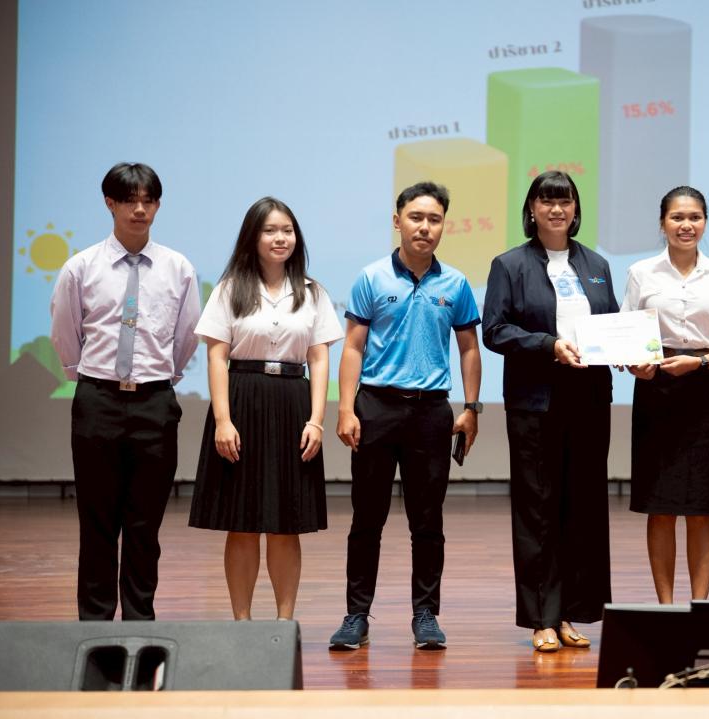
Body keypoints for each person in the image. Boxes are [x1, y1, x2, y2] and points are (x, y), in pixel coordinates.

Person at [330, 181, 481, 651]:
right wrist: (345, 407)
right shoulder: (371, 277)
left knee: (428, 522)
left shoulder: (456, 283)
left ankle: (426, 615)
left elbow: (469, 348)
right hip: (376, 408)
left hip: (431, 412)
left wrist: (471, 407)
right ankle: (356, 615)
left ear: (443, 226)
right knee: (366, 519)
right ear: (398, 221)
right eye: (416, 217)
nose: (425, 227)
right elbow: (353, 347)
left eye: (434, 219)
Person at [49, 162, 200, 620]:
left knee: (144, 524)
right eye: (130, 201)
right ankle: (94, 624)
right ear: (109, 203)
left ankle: (139, 620)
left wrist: (162, 376)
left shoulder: (178, 268)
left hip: (155, 402)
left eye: (148, 201)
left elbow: (187, 335)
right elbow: (65, 331)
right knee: (97, 522)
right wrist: (85, 375)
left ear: (158, 205)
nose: (140, 210)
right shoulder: (81, 267)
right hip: (98, 400)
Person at [188, 197, 343, 620]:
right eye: (270, 230)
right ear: (252, 237)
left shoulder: (312, 292)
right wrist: (222, 420)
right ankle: (242, 623)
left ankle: (283, 623)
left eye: (287, 230)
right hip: (242, 400)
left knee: (285, 523)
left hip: (293, 402)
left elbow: (319, 359)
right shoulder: (229, 288)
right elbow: (217, 357)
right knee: (241, 522)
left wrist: (316, 420)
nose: (280, 238)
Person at [483, 170, 617, 652]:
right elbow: (495, 330)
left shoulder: (596, 264)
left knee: (582, 506)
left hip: (589, 398)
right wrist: (548, 345)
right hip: (536, 400)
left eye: (565, 201)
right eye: (547, 201)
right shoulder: (509, 264)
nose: (557, 209)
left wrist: (629, 350)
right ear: (532, 209)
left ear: (576, 209)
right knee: (538, 508)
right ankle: (542, 616)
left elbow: (613, 323)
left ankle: (570, 613)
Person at [622, 186, 709, 604]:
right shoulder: (642, 272)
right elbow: (625, 337)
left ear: (705, 222)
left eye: (695, 217)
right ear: (663, 223)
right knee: (659, 506)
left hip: (704, 390)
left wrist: (700, 363)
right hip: (656, 389)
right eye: (677, 217)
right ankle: (665, 607)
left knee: (701, 506)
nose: (686, 225)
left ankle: (699, 606)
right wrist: (635, 364)